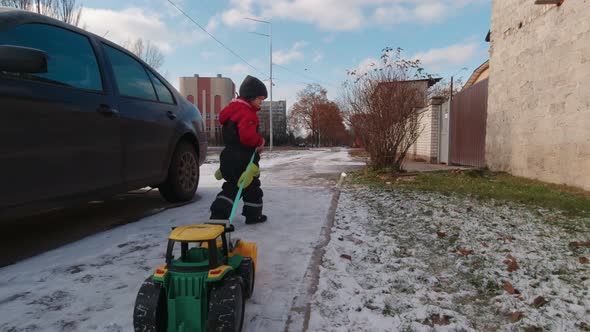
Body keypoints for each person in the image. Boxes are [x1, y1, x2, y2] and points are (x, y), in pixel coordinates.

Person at [210, 75, 268, 224]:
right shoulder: (247, 113)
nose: (261, 103)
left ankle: (218, 215)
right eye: (260, 99)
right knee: (252, 187)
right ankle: (254, 215)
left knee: (231, 187)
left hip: (228, 157)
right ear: (250, 97)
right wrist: (260, 141)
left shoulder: (231, 111)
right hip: (244, 159)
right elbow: (247, 137)